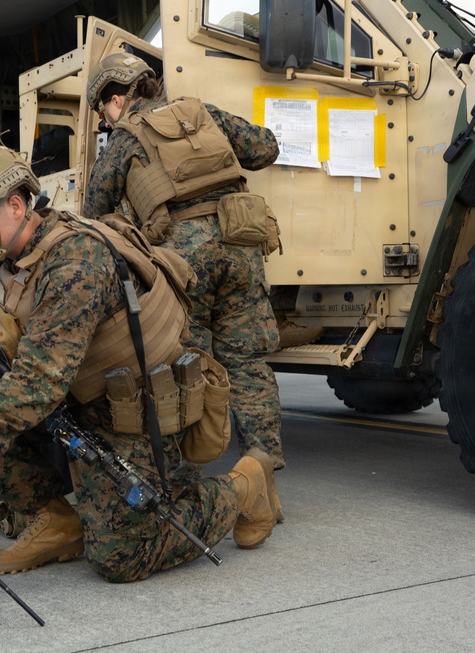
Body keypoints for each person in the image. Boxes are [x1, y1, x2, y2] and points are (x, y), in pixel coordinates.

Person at [0, 143, 279, 582]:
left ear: (15, 206)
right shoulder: (2, 258)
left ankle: (245, 486)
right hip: (76, 397)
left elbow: (38, 382)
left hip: (130, 413)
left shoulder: (75, 264)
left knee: (121, 555)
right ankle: (55, 520)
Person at [82, 53, 319, 509]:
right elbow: (265, 148)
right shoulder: (200, 112)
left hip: (183, 262)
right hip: (241, 248)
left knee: (186, 369)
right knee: (247, 364)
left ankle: (185, 491)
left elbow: (94, 214)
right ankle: (263, 482)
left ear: (115, 99)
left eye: (103, 112)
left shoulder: (124, 138)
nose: (106, 121)